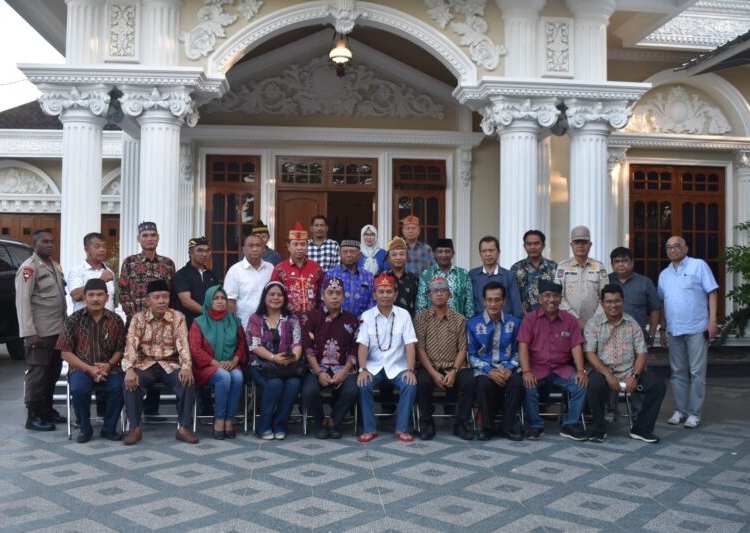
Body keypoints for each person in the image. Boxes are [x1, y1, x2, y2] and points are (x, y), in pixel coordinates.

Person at [584, 284, 666, 443]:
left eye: (617, 301)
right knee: (594, 384)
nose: (613, 305)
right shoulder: (593, 324)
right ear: (602, 303)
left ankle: (641, 428)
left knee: (657, 385)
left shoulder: (631, 323)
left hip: (629, 374)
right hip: (604, 375)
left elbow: (642, 352)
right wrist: (608, 375)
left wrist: (634, 376)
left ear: (623, 302)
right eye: (608, 302)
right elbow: (589, 353)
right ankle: (599, 429)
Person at [122, 279, 199, 445]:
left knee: (187, 381)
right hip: (145, 364)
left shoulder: (178, 317)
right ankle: (134, 428)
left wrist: (186, 367)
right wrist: (129, 369)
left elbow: (183, 343)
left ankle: (184, 428)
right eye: (156, 297)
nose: (161, 301)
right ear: (148, 300)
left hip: (170, 364)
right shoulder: (138, 318)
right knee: (131, 382)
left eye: (165, 296)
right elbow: (131, 344)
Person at [658, 236, 719, 429]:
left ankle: (694, 413)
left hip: (696, 328)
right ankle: (680, 410)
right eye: (669, 247)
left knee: (696, 372)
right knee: (677, 372)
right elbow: (662, 303)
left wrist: (713, 321)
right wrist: (663, 328)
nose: (673, 250)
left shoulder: (698, 266)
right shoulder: (664, 274)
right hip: (674, 330)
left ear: (686, 248)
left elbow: (712, 293)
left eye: (677, 246)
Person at [118, 221, 176, 420]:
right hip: (136, 322)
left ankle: (152, 409)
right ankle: (134, 409)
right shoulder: (130, 262)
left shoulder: (167, 263)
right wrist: (134, 315)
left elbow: (172, 293)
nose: (149, 238)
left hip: (161, 322)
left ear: (158, 238)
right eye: (145, 235)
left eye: (153, 235)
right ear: (139, 239)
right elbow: (123, 291)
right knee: (138, 361)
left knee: (158, 359)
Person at [57, 278, 126, 443]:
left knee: (120, 387)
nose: (95, 299)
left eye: (100, 295)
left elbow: (121, 349)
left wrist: (108, 365)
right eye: (91, 295)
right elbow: (65, 353)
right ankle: (85, 429)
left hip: (110, 368)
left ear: (107, 297)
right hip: (81, 369)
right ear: (84, 297)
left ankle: (109, 429)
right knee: (79, 388)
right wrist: (90, 369)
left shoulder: (116, 320)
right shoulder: (73, 320)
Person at [517, 281, 588, 441]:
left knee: (580, 385)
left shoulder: (569, 320)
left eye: (555, 296)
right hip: (536, 368)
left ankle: (570, 424)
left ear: (560, 299)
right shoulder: (530, 319)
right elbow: (523, 346)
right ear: (540, 298)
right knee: (527, 385)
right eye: (547, 296)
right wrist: (526, 371)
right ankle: (536, 425)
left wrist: (580, 371)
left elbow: (576, 345)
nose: (551, 299)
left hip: (561, 369)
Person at [356, 273, 418, 443]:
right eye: (381, 292)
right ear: (374, 294)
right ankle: (369, 429)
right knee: (363, 384)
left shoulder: (404, 315)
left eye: (389, 291)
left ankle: (402, 428)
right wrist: (362, 370)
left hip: (398, 366)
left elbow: (410, 344)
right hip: (373, 367)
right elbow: (362, 345)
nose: (385, 295)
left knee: (410, 384)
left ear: (395, 294)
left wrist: (411, 370)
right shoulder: (367, 316)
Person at [15, 228, 67, 431]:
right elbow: (22, 302)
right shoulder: (29, 268)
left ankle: (47, 409)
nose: (50, 245)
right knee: (37, 375)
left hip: (57, 330)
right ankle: (33, 415)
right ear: (34, 244)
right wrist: (29, 333)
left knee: (52, 373)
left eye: (52, 241)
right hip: (40, 333)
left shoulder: (54, 265)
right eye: (45, 242)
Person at [414, 276, 473, 441]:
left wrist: (454, 371)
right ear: (429, 295)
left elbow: (462, 348)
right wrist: (433, 373)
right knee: (423, 381)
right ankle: (427, 423)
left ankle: (461, 424)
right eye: (435, 291)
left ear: (449, 295)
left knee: (469, 381)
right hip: (429, 366)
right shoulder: (421, 318)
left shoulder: (459, 319)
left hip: (453, 365)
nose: (439, 294)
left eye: (443, 290)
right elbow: (420, 349)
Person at [302, 277, 359, 439]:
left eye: (338, 293)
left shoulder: (352, 320)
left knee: (352, 390)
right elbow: (308, 349)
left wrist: (344, 372)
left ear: (343, 296)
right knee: (309, 391)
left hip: (343, 368)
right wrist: (319, 372)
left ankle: (334, 421)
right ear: (322, 295)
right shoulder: (312, 318)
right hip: (316, 368)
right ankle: (320, 423)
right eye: (330, 292)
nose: (334, 296)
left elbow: (354, 350)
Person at [189, 285, 248, 440]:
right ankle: (219, 419)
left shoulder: (234, 320)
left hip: (231, 363)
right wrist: (217, 364)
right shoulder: (199, 322)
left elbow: (242, 344)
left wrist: (234, 360)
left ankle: (229, 419)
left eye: (223, 298)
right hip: (206, 367)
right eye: (216, 298)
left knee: (238, 377)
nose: (220, 301)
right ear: (209, 300)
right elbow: (195, 349)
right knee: (224, 377)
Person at [246, 281, 303, 440]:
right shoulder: (256, 319)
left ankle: (280, 425)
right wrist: (273, 358)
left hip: (286, 365)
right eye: (272, 294)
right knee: (276, 383)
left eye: (279, 295)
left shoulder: (291, 318)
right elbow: (254, 345)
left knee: (294, 383)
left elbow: (297, 343)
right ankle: (264, 426)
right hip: (260, 365)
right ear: (265, 297)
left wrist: (293, 357)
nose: (275, 298)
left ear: (284, 298)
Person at [467, 281, 524, 441]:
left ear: (504, 301)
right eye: (489, 300)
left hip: (508, 368)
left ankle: (508, 426)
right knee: (482, 384)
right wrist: (489, 371)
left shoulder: (515, 323)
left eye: (497, 299)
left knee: (517, 383)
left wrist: (509, 369)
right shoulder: (472, 324)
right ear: (484, 301)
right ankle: (486, 427)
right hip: (485, 369)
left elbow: (519, 350)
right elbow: (470, 355)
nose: (493, 304)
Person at [555, 225, 608, 330]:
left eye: (584, 242)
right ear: (571, 245)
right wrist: (576, 319)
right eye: (577, 242)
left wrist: (594, 320)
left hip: (596, 324)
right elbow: (558, 296)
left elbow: (605, 296)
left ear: (590, 244)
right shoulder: (563, 266)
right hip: (568, 322)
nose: (580, 245)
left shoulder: (599, 266)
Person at [271, 222, 324, 326]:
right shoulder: (279, 269)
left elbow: (322, 294)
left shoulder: (316, 268)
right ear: (288, 246)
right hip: (286, 319)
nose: (299, 248)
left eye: (303, 244)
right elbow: (273, 295)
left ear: (307, 246)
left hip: (313, 320)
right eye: (295, 244)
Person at [608, 247, 660, 342]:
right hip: (609, 338)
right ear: (611, 264)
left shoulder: (645, 283)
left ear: (632, 263)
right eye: (617, 261)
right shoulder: (605, 281)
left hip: (637, 339)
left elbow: (655, 310)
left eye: (625, 261)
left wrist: (651, 336)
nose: (621, 264)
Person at [223, 233, 274, 327]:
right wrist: (233, 327)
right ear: (244, 249)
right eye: (250, 246)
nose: (255, 249)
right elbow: (230, 301)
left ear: (263, 249)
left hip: (269, 325)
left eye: (258, 245)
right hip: (244, 325)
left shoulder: (270, 268)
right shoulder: (235, 270)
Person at [416, 238, 474, 318]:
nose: (443, 255)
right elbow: (420, 305)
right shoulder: (427, 274)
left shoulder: (463, 275)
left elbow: (469, 305)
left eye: (447, 251)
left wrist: (468, 326)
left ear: (453, 254)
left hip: (459, 326)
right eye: (440, 252)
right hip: (432, 327)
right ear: (435, 254)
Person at [173, 236, 219, 331]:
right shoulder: (181, 275)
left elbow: (217, 297)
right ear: (190, 253)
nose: (204, 254)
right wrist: (208, 313)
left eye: (207, 251)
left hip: (210, 326)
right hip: (188, 325)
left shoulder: (212, 275)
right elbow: (186, 301)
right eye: (200, 251)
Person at [469, 235, 522, 317]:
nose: (488, 254)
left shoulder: (509, 275)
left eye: (491, 250)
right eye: (484, 251)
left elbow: (516, 304)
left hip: (505, 324)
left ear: (498, 252)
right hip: (479, 325)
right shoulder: (472, 275)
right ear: (480, 253)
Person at [325, 238, 375, 317]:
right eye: (345, 252)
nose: (348, 255)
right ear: (339, 254)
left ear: (360, 255)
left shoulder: (368, 276)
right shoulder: (331, 274)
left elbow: (372, 301)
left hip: (363, 324)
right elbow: (324, 300)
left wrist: (363, 320)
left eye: (353, 252)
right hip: (336, 322)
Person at [510, 230, 558, 314]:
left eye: (536, 244)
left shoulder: (554, 267)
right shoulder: (516, 268)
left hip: (550, 317)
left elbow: (558, 294)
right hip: (524, 318)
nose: (532, 247)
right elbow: (513, 296)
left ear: (543, 246)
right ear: (524, 246)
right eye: (529, 244)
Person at [67, 232, 115, 312]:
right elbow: (76, 296)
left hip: (108, 321)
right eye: (97, 246)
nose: (102, 249)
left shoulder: (109, 271)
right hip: (83, 322)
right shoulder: (77, 271)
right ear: (86, 249)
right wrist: (101, 280)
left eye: (104, 246)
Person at [381, 236, 420, 318]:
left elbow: (419, 307)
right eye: (394, 255)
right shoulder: (380, 278)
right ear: (388, 258)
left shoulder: (415, 280)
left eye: (402, 254)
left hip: (409, 325)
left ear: (407, 257)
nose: (398, 257)